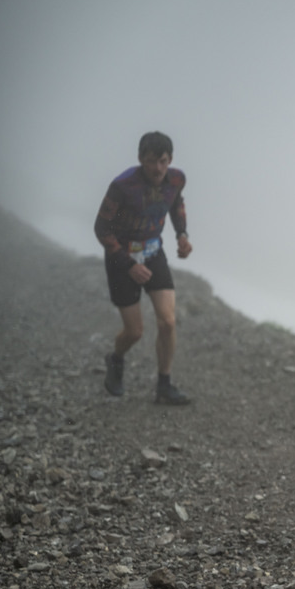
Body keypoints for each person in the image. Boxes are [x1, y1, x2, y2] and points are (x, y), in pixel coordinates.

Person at [95, 131, 194, 405]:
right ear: (141, 159)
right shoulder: (123, 186)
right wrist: (128, 265)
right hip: (121, 259)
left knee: (168, 321)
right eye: (151, 161)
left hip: (152, 252)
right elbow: (101, 229)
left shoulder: (176, 179)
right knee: (134, 332)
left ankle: (164, 384)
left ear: (170, 159)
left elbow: (176, 204)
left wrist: (182, 234)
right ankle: (116, 360)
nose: (158, 169)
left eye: (163, 161)